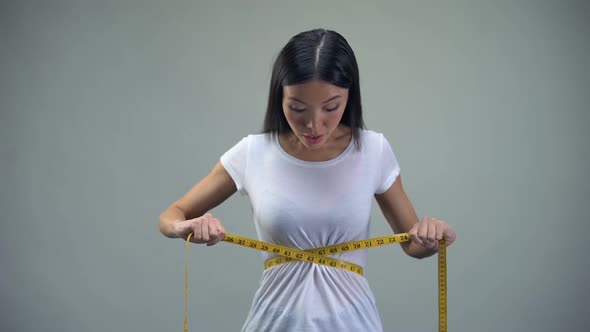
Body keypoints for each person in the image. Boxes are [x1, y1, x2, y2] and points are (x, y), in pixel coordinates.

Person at [158, 28, 456, 332]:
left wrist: (431, 238)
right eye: (297, 108)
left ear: (350, 95)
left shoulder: (373, 150)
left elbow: (413, 244)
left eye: (331, 107)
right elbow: (171, 216)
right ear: (279, 98)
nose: (314, 124)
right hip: (273, 322)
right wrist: (186, 227)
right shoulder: (253, 152)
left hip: (353, 322)